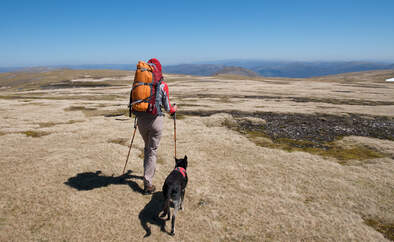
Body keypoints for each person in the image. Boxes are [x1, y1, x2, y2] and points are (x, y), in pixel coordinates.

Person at [134, 58, 177, 194]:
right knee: (152, 151)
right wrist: (174, 108)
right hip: (155, 121)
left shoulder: (140, 83)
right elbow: (168, 108)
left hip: (141, 121)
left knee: (148, 149)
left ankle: (147, 175)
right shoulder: (162, 85)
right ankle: (148, 183)